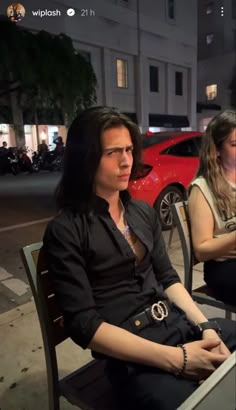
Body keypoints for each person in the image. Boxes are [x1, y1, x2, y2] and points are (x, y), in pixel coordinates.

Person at [43, 107, 236, 410]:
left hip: (176, 326)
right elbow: (84, 325)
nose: (126, 161)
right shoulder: (66, 230)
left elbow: (168, 278)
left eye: (129, 149)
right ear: (86, 158)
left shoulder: (141, 213)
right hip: (133, 358)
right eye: (111, 153)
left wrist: (205, 326)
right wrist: (179, 359)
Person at [189, 110, 236, 306]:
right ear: (216, 149)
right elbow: (201, 250)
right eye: (234, 145)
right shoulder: (203, 188)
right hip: (223, 268)